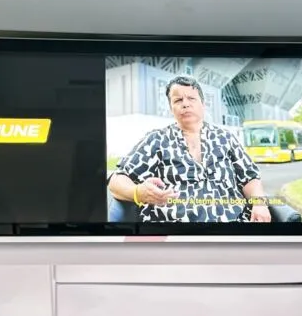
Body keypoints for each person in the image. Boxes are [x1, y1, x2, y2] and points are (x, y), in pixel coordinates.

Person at [108, 75, 272, 222]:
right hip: (175, 234)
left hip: (233, 228)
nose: (185, 104)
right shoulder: (156, 140)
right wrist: (138, 192)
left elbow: (250, 177)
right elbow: (117, 181)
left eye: (191, 98)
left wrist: (260, 204)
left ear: (203, 104)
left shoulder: (226, 138)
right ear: (171, 108)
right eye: (178, 100)